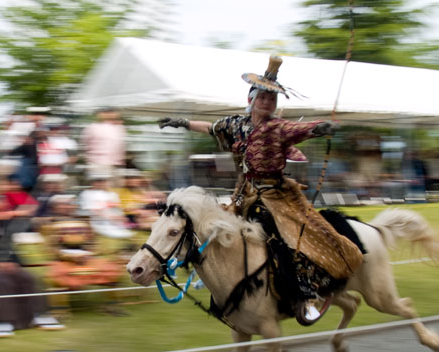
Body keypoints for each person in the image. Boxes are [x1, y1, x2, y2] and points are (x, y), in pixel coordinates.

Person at [158, 55, 364, 325]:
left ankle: (304, 291)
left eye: (272, 99)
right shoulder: (234, 125)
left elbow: (299, 129)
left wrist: (319, 128)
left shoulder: (277, 127)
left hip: (275, 198)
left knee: (282, 239)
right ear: (251, 99)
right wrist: (182, 122)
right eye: (263, 98)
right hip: (242, 195)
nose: (267, 103)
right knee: (215, 234)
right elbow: (210, 128)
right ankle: (226, 295)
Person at [0, 195, 64, 337]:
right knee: (2, 283)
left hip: (10, 265)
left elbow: (10, 247)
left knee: (29, 278)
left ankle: (40, 315)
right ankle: (3, 322)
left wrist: (13, 263)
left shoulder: (4, 226)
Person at [80, 108, 127, 180]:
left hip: (116, 164)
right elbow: (85, 145)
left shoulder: (120, 128)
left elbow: (121, 146)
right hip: (98, 163)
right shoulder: (92, 127)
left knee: (115, 188)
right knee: (101, 186)